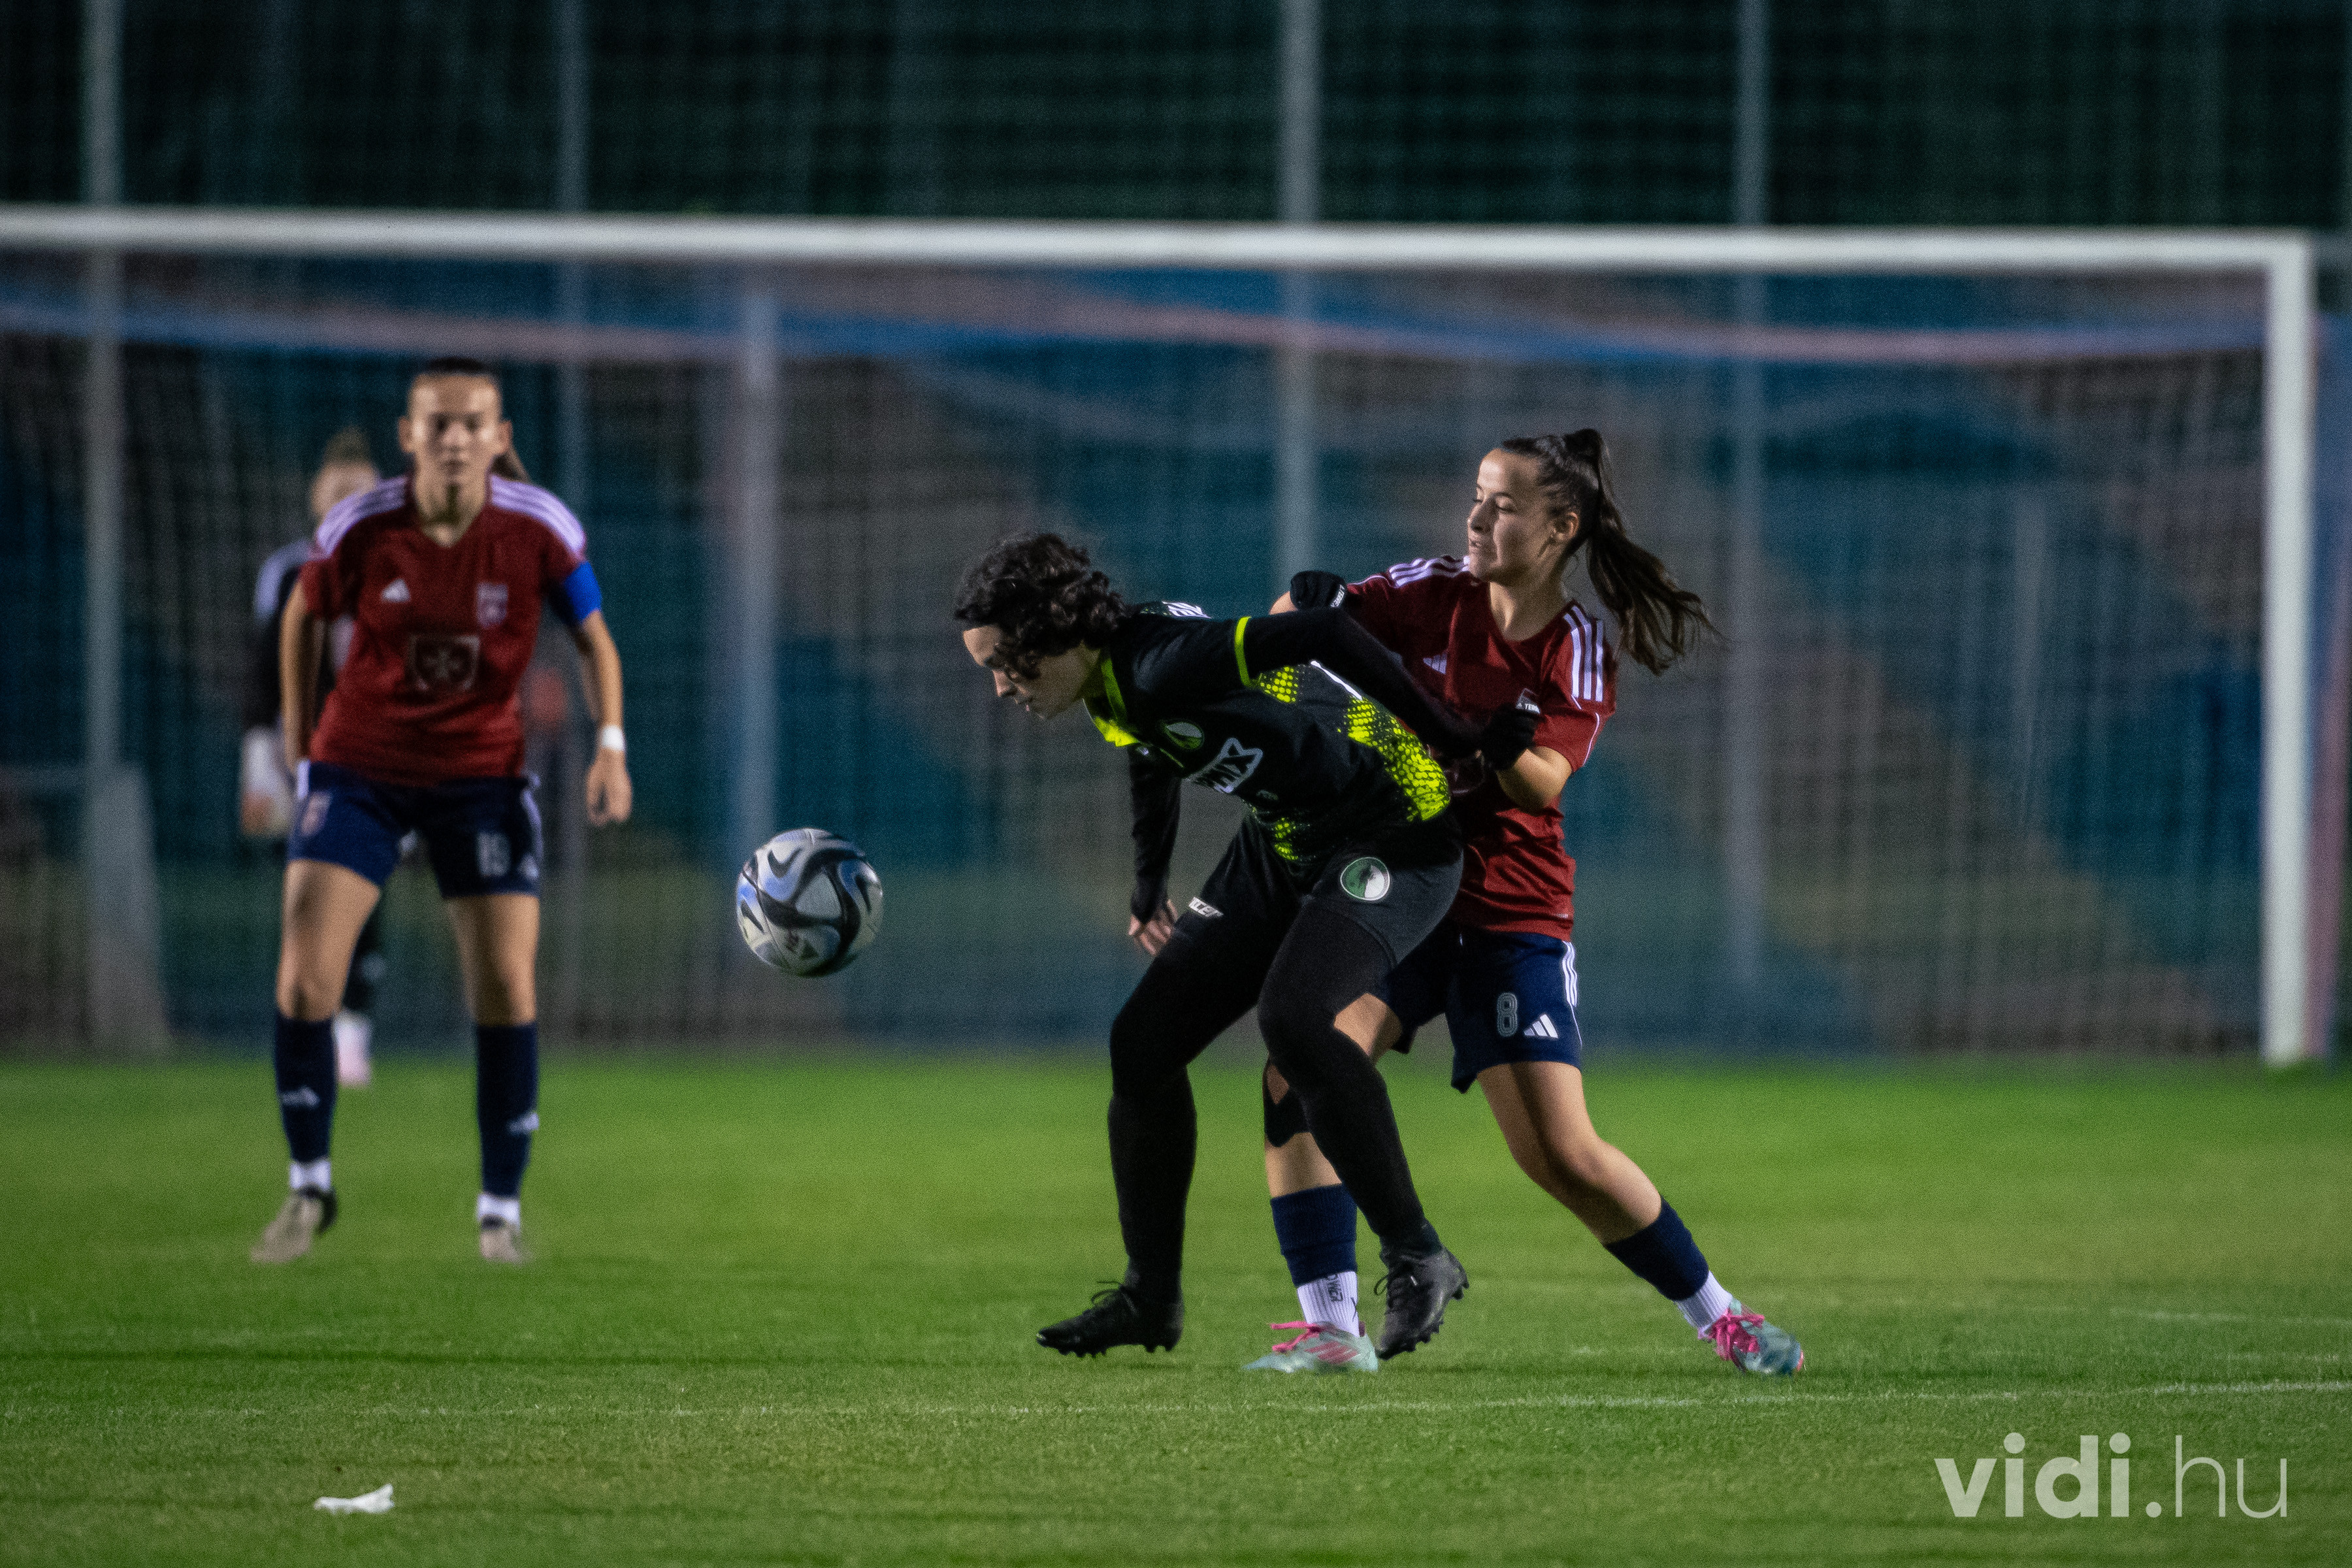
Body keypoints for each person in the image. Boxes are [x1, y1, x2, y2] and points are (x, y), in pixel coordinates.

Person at [1243, 431, 1804, 1377]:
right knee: (1297, 1063)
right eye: (1476, 496)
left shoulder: (1574, 645)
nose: (1475, 517)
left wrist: (1496, 742)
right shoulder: (1428, 591)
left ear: (1560, 528)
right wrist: (1307, 603)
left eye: (1501, 505)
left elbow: (1541, 781)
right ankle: (1332, 1328)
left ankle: (1722, 1316)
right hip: (1404, 889)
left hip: (1507, 912)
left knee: (1560, 1156)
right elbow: (1289, 631)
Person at [955, 533, 1537, 1364]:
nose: (1000, 685)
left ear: (1054, 633)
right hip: (1286, 840)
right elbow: (1150, 747)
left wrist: (1454, 734)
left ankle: (1419, 1256)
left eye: (1005, 663)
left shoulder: (1161, 659)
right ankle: (1150, 1298)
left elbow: (1324, 634)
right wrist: (1148, 881)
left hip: (1393, 830)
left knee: (1294, 1019)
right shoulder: (1113, 683)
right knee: (1143, 1044)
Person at [250, 357, 633, 1266]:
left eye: (473, 424)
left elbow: (594, 640)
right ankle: (309, 1187)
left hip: (479, 778)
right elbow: (302, 615)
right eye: (439, 423)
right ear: (409, 436)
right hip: (361, 769)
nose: (455, 439)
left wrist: (612, 746)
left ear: (500, 438)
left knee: (506, 987)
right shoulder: (361, 525)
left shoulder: (539, 527)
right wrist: (300, 743)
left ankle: (499, 1211)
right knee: (305, 979)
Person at [242, 428, 389, 1087]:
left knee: (368, 892)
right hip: (299, 759)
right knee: (307, 895)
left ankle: (353, 1032)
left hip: (376, 760)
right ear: (317, 497)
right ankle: (310, 1026)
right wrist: (258, 756)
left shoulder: (401, 572)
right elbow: (260, 671)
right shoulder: (287, 574)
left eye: (362, 492)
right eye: (338, 491)